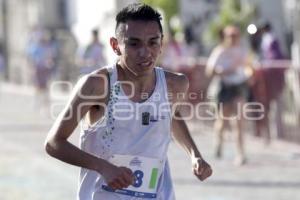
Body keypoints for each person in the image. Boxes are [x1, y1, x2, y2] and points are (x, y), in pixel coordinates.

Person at [45, 3, 212, 200]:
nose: (145, 52)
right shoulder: (97, 85)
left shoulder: (175, 84)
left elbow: (170, 117)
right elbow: (54, 143)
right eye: (134, 44)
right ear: (116, 45)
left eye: (152, 42)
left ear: (161, 44)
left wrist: (195, 154)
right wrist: (104, 168)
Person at [206, 25, 250, 166]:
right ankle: (218, 143)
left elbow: (249, 66)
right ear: (225, 37)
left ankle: (240, 153)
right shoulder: (219, 51)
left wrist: (249, 73)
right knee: (222, 120)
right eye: (231, 36)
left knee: (238, 121)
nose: (234, 38)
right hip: (224, 88)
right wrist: (225, 71)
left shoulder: (243, 51)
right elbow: (210, 71)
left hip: (238, 87)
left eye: (236, 35)